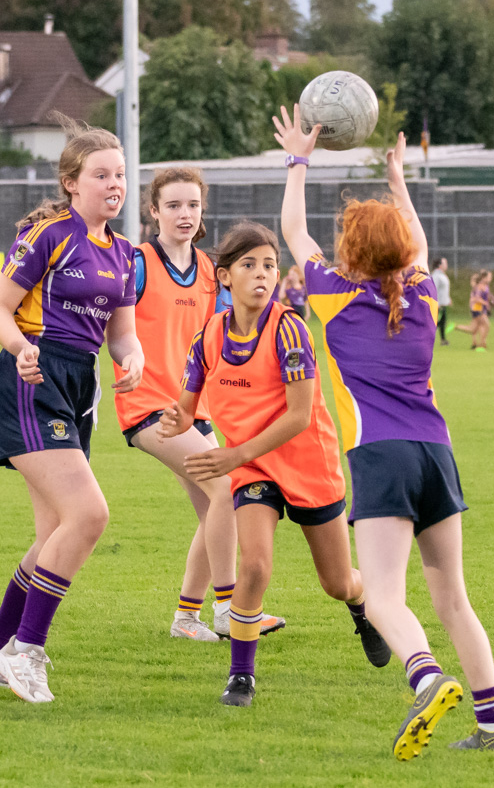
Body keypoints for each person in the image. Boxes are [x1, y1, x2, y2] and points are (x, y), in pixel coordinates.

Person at [275, 107, 494, 758]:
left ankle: (425, 676)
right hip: (437, 455)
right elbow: (411, 237)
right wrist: (397, 176)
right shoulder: (421, 293)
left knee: (380, 596)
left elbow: (290, 228)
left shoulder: (330, 294)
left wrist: (298, 158)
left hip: (380, 458)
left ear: (350, 249)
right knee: (453, 600)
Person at [159, 220, 390, 707]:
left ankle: (363, 607)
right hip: (254, 470)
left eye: (269, 265)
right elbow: (186, 405)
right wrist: (173, 420)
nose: (262, 274)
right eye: (249, 265)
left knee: (337, 582)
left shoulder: (289, 329)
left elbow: (301, 415)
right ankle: (241, 677)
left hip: (308, 463)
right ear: (224, 276)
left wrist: (233, 453)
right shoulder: (209, 338)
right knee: (256, 566)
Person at [0, 119, 144, 704]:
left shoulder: (125, 255)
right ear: (72, 183)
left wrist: (131, 360)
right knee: (89, 516)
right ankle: (25, 651)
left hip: (76, 386)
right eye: (101, 175)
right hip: (30, 379)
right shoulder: (49, 236)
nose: (114, 184)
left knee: (53, 539)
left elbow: (122, 335)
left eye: (120, 174)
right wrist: (21, 348)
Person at [116, 166, 283, 643]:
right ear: (153, 211)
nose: (184, 214)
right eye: (173, 205)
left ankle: (188, 618)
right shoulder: (138, 261)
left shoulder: (211, 271)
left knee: (217, 508)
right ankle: (230, 610)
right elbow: (112, 326)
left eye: (192, 205)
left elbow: (222, 338)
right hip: (148, 406)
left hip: (194, 410)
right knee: (225, 491)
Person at [452, 271, 493, 351]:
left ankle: (456, 326)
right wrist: (486, 303)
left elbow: (486, 297)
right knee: (486, 325)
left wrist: (489, 302)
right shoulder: (479, 286)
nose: (490, 278)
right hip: (477, 309)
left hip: (481, 309)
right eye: (489, 277)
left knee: (473, 329)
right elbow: (477, 298)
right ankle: (482, 345)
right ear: (484, 278)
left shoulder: (485, 286)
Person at [431, 258, 451, 346]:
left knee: (442, 322)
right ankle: (426, 337)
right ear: (440, 265)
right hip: (438, 304)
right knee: (435, 323)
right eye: (445, 263)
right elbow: (433, 289)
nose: (446, 265)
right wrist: (436, 303)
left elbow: (444, 289)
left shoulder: (442, 274)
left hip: (443, 303)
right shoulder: (436, 275)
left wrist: (448, 299)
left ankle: (443, 340)